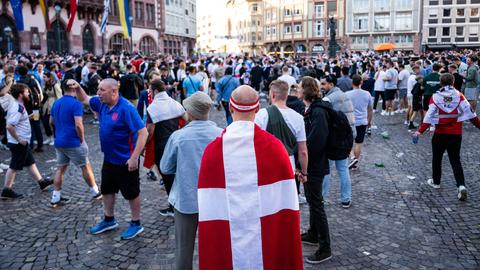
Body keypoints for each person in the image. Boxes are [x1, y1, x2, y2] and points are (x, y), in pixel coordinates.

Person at [197, 85, 303, 269]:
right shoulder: (276, 149)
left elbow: (211, 207)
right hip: (266, 237)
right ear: (257, 109)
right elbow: (284, 204)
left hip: (229, 240)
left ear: (230, 108)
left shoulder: (212, 152)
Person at [72, 78, 148, 240]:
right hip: (109, 158)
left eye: (102, 90)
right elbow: (84, 99)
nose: (98, 93)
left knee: (131, 193)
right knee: (107, 189)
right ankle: (109, 219)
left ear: (114, 92)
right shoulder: (101, 103)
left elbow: (143, 133)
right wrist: (78, 87)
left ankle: (136, 223)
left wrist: (134, 157)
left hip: (126, 160)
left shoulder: (126, 108)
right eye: (98, 89)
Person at [160, 92, 222, 270]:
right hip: (214, 199)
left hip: (186, 199)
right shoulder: (221, 134)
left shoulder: (179, 136)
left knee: (183, 249)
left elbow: (165, 168)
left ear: (190, 113)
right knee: (215, 247)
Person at [413, 73, 480, 201]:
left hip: (440, 134)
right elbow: (471, 115)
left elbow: (428, 117)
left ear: (440, 83)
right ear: (453, 82)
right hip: (455, 134)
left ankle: (436, 182)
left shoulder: (435, 97)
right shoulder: (459, 96)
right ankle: (461, 186)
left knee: (437, 158)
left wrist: (419, 131)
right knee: (455, 160)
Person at [254, 80, 308, 204]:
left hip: (265, 165)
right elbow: (303, 151)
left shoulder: (261, 115)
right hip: (288, 165)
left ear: (272, 95)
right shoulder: (298, 118)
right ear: (286, 95)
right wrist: (304, 173)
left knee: (267, 203)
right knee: (286, 204)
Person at [49, 80, 102, 207]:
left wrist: (59, 131)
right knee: (85, 166)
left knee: (60, 168)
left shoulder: (56, 103)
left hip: (59, 141)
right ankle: (95, 192)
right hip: (73, 141)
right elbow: (78, 124)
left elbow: (51, 121)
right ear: (74, 88)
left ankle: (55, 197)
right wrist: (82, 138)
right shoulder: (76, 104)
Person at [297, 76, 332, 264]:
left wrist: (304, 164)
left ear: (306, 90)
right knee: (312, 199)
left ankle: (325, 247)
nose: (297, 89)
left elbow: (316, 141)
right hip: (313, 163)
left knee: (317, 204)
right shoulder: (311, 108)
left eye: (300, 87)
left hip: (315, 165)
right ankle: (313, 233)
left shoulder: (318, 112)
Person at [1, 83, 53, 199]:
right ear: (20, 95)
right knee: (14, 166)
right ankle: (6, 190)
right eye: (26, 92)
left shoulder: (18, 105)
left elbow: (16, 120)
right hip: (19, 142)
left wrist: (27, 117)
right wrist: (19, 139)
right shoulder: (17, 107)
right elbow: (9, 126)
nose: (29, 93)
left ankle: (41, 182)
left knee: (30, 162)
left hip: (21, 141)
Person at [146, 79, 186, 217]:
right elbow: (186, 120)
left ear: (155, 91)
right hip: (177, 143)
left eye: (150, 90)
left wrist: (145, 145)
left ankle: (173, 207)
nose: (150, 93)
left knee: (167, 177)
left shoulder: (152, 108)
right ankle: (178, 204)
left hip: (162, 146)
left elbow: (150, 131)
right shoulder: (175, 103)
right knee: (177, 175)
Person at [320, 74, 354, 207]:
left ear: (331, 84)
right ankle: (346, 198)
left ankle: (323, 196)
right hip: (345, 138)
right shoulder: (345, 95)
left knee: (327, 169)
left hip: (333, 139)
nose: (322, 86)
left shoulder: (328, 99)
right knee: (343, 169)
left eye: (324, 84)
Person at [346, 75, 373, 167]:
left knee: (348, 141)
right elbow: (370, 109)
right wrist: (369, 121)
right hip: (362, 121)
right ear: (361, 82)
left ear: (352, 83)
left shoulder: (347, 94)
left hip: (351, 121)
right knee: (359, 142)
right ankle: (354, 162)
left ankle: (353, 158)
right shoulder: (367, 94)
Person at [41, 72, 62, 146]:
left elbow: (59, 97)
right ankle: (49, 137)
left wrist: (58, 107)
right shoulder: (46, 85)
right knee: (45, 122)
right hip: (46, 106)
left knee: (53, 123)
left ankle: (56, 138)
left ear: (49, 77)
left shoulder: (55, 85)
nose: (43, 78)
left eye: (44, 77)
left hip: (53, 105)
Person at [407, 65, 423, 130]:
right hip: (417, 100)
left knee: (417, 111)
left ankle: (413, 122)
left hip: (415, 99)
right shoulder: (418, 85)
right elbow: (415, 92)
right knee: (415, 112)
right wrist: (419, 97)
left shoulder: (416, 84)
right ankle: (411, 123)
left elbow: (412, 91)